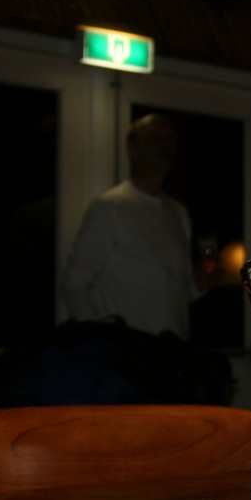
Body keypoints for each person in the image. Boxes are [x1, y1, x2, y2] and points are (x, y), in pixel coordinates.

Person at [60, 113, 206, 340]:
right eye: (154, 138)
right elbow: (74, 283)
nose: (165, 146)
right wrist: (98, 342)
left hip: (172, 352)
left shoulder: (178, 213)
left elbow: (176, 291)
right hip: (124, 354)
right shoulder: (110, 207)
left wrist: (201, 284)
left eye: (170, 139)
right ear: (132, 149)